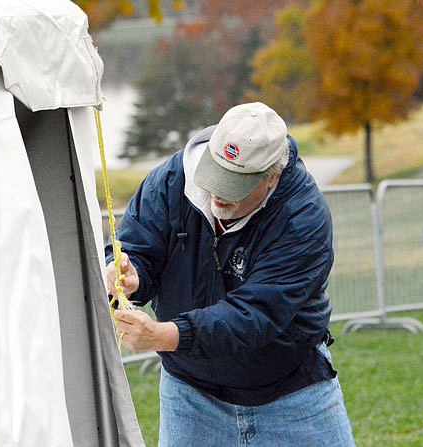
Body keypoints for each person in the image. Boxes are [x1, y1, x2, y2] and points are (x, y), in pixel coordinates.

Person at [106, 102, 355, 446]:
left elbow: (255, 315)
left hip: (292, 392)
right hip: (190, 394)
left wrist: (166, 336)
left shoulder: (303, 216)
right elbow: (137, 247)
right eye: (216, 175)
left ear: (272, 178)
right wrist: (129, 274)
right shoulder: (171, 180)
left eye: (234, 185)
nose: (218, 193)